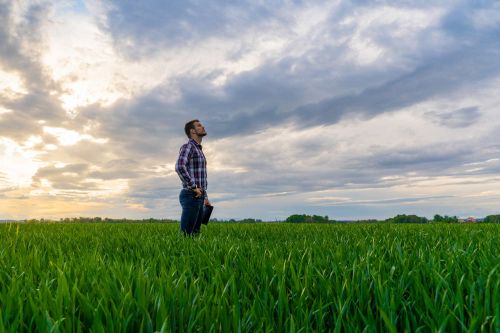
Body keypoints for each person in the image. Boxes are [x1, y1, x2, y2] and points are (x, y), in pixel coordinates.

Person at [175, 119, 211, 236]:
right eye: (199, 126)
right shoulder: (188, 147)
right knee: (186, 236)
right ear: (192, 131)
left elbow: (200, 176)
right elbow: (180, 166)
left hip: (199, 196)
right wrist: (193, 186)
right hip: (191, 195)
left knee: (195, 235)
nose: (203, 127)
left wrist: (205, 197)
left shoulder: (199, 150)